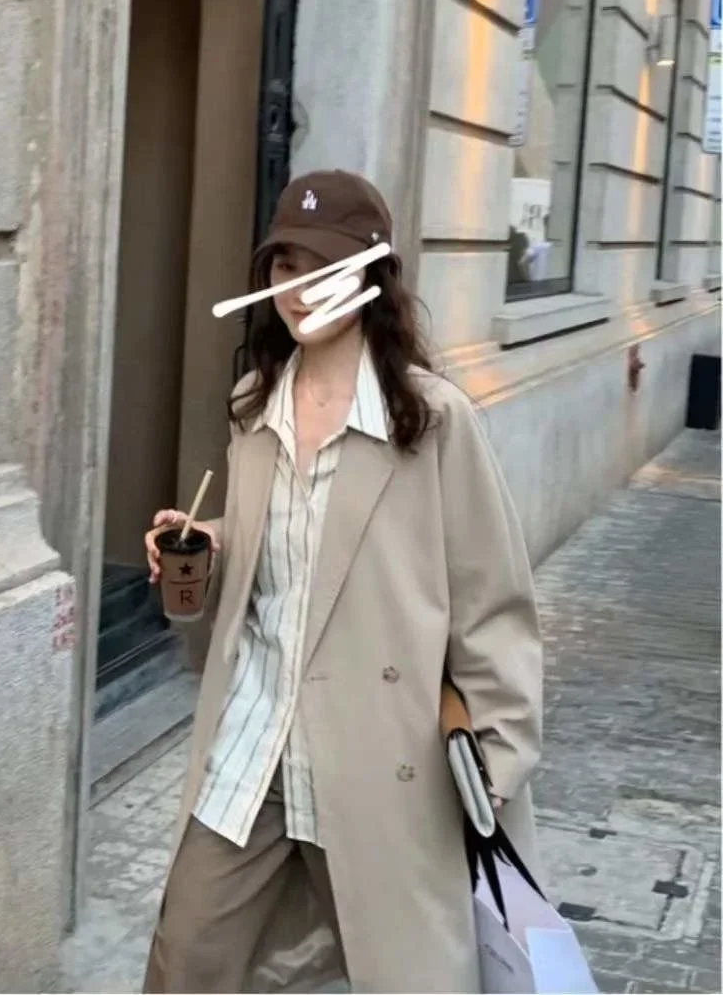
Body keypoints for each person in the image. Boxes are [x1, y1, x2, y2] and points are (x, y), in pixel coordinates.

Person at [142, 170, 543, 994]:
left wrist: (495, 767)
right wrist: (209, 544)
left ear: (370, 278)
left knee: (402, 974)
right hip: (255, 746)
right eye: (285, 264)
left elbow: (492, 600)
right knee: (185, 960)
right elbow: (284, 552)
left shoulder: (428, 419)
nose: (298, 288)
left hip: (377, 760)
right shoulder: (255, 404)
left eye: (323, 267)